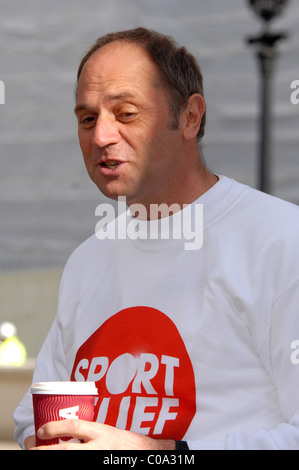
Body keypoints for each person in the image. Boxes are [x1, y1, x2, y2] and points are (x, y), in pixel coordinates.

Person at [14, 27, 299, 450]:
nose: (101, 136)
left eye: (126, 114)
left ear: (190, 116)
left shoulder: (280, 241)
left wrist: (159, 456)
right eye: (87, 118)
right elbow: (29, 420)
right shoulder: (87, 260)